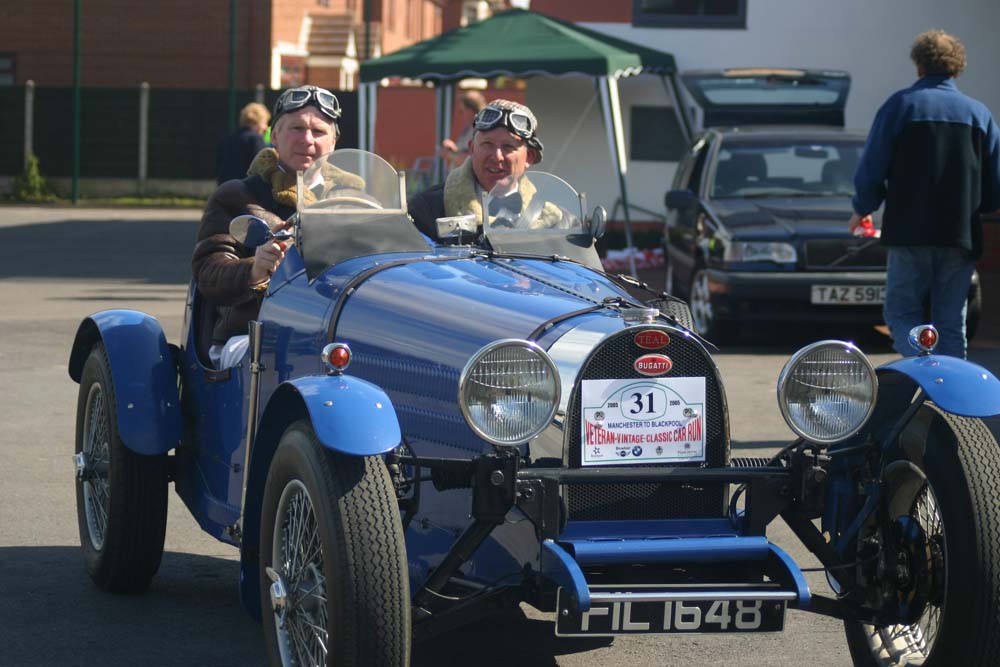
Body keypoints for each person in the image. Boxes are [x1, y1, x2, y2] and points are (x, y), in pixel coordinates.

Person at [850, 30, 1000, 359]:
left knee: (902, 314)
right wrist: (979, 210)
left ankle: (923, 373)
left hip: (909, 234)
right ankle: (949, 386)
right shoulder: (979, 114)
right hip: (960, 236)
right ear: (957, 66)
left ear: (918, 63)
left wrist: (863, 207)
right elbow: (994, 186)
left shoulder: (901, 106)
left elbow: (872, 167)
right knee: (951, 322)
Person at [193, 85, 347, 369]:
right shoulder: (237, 196)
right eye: (296, 128)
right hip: (252, 333)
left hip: (341, 331)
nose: (307, 139)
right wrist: (254, 269)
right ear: (274, 136)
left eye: (318, 131)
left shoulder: (357, 201)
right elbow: (207, 273)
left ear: (333, 142)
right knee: (283, 361)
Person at [408, 99, 546, 241]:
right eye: (487, 144)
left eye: (508, 147)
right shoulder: (427, 209)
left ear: (529, 157)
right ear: (472, 149)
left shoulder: (550, 218)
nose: (497, 156)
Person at [215, 102, 271, 184]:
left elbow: (218, 164)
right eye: (264, 122)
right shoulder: (255, 139)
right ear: (255, 122)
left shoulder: (228, 138)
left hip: (224, 185)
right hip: (245, 187)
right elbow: (263, 167)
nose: (266, 127)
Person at [439, 89, 487, 170]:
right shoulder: (469, 129)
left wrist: (449, 154)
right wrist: (453, 149)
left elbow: (472, 159)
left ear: (471, 110)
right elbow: (464, 152)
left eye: (461, 111)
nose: (460, 114)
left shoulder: (481, 130)